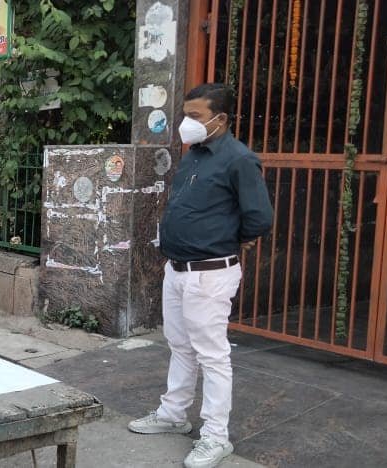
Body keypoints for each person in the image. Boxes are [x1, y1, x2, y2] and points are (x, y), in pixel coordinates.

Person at [127, 83, 273, 468]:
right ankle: (173, 414)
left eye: (195, 116)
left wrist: (226, 239)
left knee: (212, 355)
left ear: (220, 119)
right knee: (179, 346)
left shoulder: (239, 160)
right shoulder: (194, 155)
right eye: (185, 115)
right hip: (177, 269)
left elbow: (259, 217)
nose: (186, 123)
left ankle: (215, 436)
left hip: (209, 273)